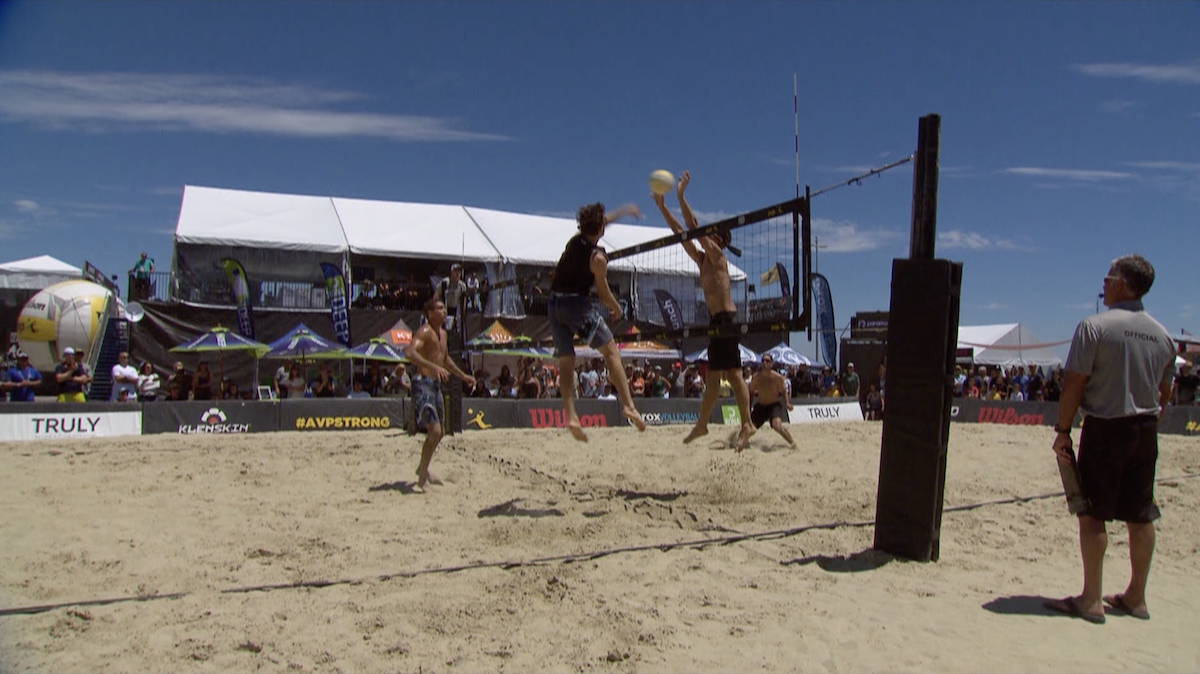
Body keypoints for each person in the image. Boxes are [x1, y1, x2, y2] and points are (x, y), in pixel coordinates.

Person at [1044, 255, 1175, 625]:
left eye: (1106, 277)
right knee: (1140, 513)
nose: (1102, 285)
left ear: (1121, 282)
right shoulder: (1164, 335)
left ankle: (1091, 599)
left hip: (1105, 428)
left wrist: (1063, 431)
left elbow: (1074, 383)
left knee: (1093, 512)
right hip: (1145, 430)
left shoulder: (1094, 326)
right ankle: (1136, 597)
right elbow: (1165, 393)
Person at [654, 170, 754, 450]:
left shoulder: (718, 256)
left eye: (711, 234)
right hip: (715, 322)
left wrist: (680, 196)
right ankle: (702, 424)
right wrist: (663, 209)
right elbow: (683, 233)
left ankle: (747, 423)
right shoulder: (702, 261)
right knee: (712, 376)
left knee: (734, 374)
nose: (705, 235)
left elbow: (694, 228)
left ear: (719, 240)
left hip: (727, 319)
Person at [546, 201, 647, 441]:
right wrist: (616, 308)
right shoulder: (597, 258)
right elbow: (603, 293)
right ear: (600, 228)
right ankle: (629, 406)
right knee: (611, 351)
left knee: (567, 361)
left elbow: (601, 222)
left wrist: (623, 211)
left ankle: (571, 415)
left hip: (553, 305)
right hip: (576, 306)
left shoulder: (575, 240)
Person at [406, 298, 475, 493]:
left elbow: (445, 360)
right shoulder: (425, 331)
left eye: (444, 308)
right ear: (429, 313)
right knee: (434, 431)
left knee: (440, 433)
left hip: (435, 386)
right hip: (423, 385)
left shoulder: (443, 334)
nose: (444, 311)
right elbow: (410, 352)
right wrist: (432, 366)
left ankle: (423, 467)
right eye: (439, 308)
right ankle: (421, 480)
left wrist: (463, 376)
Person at [746, 354, 796, 447]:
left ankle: (793, 443)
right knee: (750, 429)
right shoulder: (756, 377)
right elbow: (751, 392)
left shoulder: (777, 377)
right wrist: (748, 407)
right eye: (763, 361)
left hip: (774, 405)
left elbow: (784, 391)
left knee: (777, 426)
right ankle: (737, 441)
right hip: (761, 406)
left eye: (767, 361)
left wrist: (787, 403)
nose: (765, 363)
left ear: (771, 364)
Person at [434, 263, 468, 330]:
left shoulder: (462, 286)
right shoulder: (445, 282)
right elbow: (436, 296)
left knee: (453, 329)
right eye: (455, 271)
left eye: (459, 271)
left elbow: (463, 300)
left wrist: (461, 313)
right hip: (443, 308)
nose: (458, 273)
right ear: (451, 272)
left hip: (454, 309)